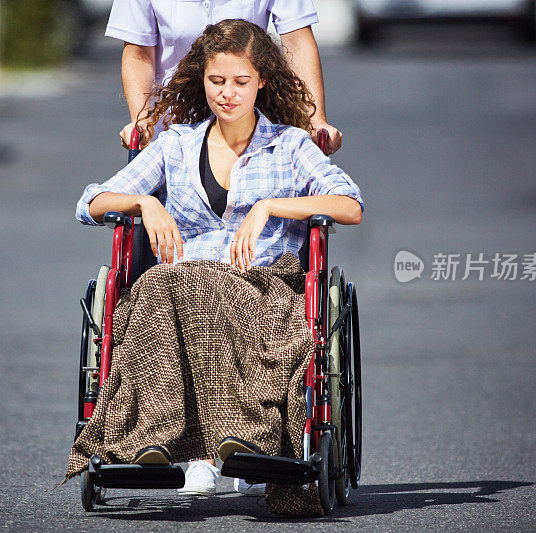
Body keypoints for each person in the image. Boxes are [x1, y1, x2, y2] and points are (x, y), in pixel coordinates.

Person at [69, 20, 362, 509]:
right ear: (200, 80)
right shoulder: (177, 145)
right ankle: (153, 440)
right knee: (158, 284)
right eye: (216, 81)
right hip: (182, 282)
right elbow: (91, 201)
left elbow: (349, 205)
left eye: (240, 82)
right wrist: (145, 203)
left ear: (263, 81)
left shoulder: (290, 145)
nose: (227, 94)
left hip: (263, 287)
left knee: (181, 285)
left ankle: (240, 434)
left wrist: (272, 207)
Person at [105, 0, 343, 154]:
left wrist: (315, 120)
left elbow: (298, 42)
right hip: (173, 117)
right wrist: (144, 119)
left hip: (248, 113)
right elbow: (138, 53)